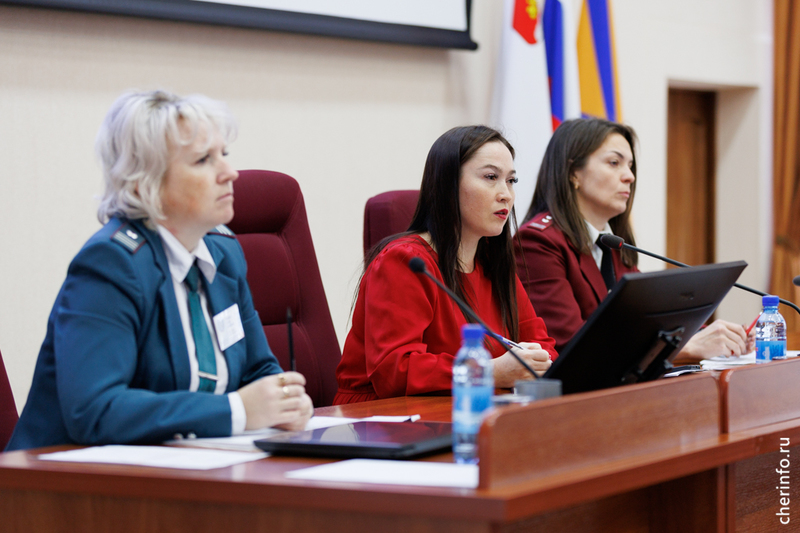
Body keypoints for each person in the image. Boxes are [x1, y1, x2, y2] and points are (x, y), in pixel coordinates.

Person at [6, 90, 313, 451]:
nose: (229, 173)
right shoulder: (111, 263)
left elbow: (258, 370)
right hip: (59, 476)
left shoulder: (224, 254)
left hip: (186, 466)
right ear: (144, 181)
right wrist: (236, 411)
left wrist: (285, 400)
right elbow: (95, 410)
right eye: (203, 160)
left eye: (224, 155)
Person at [334, 126, 557, 405]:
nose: (506, 195)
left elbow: (542, 345)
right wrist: (489, 371)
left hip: (472, 407)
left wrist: (536, 361)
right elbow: (394, 371)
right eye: (491, 177)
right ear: (447, 185)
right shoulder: (404, 262)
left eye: (511, 181)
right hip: (380, 417)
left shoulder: (493, 264)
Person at [515, 118, 754, 360]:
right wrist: (686, 348)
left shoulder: (613, 244)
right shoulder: (538, 243)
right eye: (614, 163)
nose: (629, 176)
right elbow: (571, 347)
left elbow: (651, 320)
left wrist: (722, 338)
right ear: (573, 172)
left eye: (630, 166)